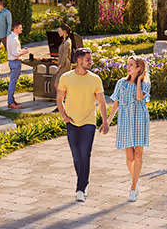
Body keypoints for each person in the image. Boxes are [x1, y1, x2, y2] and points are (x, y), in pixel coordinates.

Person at [57, 47, 106, 202]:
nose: (91, 62)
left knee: (85, 154)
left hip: (89, 122)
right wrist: (64, 116)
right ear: (79, 60)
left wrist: (105, 121)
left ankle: (81, 188)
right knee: (77, 157)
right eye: (88, 60)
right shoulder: (66, 77)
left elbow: (101, 102)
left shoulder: (95, 79)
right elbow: (59, 99)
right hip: (72, 122)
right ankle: (83, 182)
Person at [110, 56, 151, 202]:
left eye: (131, 65)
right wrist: (108, 121)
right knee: (129, 158)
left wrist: (138, 81)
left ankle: (133, 188)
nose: (128, 67)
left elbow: (139, 97)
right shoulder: (121, 83)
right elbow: (116, 103)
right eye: (128, 65)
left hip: (140, 119)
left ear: (139, 68)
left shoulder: (145, 83)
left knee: (138, 155)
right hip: (125, 120)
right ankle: (136, 181)